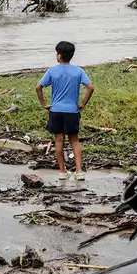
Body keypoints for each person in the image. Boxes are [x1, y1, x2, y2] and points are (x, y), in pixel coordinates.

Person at [35, 41, 94, 181]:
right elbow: (90, 87)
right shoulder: (78, 71)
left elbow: (38, 87)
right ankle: (79, 171)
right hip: (72, 111)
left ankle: (62, 171)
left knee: (59, 140)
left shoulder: (52, 71)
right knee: (75, 141)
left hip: (56, 111)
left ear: (59, 55)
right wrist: (83, 104)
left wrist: (44, 104)